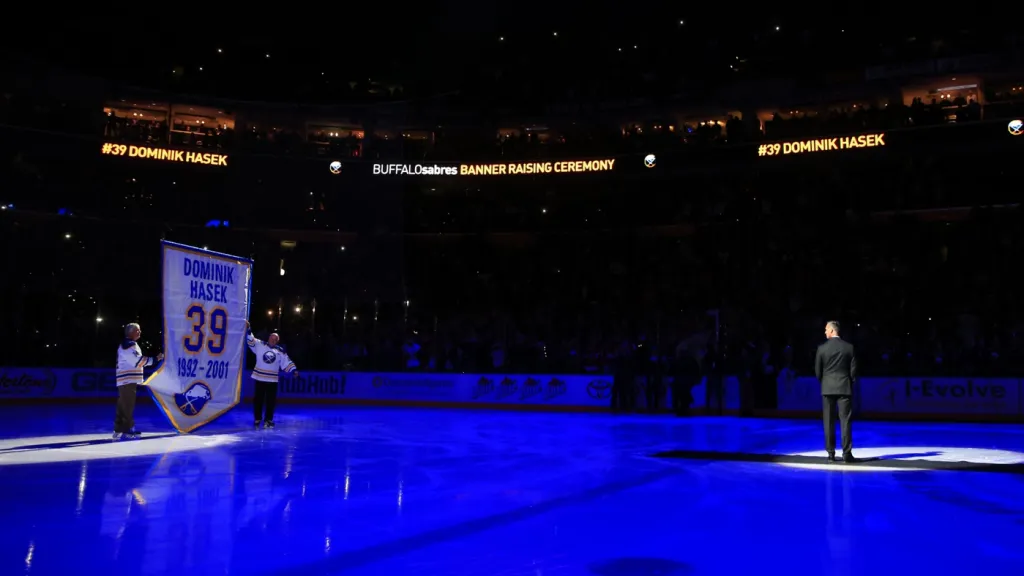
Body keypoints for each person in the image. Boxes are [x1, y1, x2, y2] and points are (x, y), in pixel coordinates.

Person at [815, 321, 857, 463]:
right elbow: (853, 371)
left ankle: (831, 453)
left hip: (827, 388)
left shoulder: (822, 348)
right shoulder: (849, 347)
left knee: (828, 421)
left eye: (826, 329)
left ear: (832, 330)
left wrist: (825, 382)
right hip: (844, 387)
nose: (825, 332)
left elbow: (818, 371)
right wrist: (848, 382)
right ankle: (847, 453)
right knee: (845, 421)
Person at [245, 321, 298, 429]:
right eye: (272, 338)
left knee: (271, 401)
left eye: (275, 340)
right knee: (258, 400)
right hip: (260, 377)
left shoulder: (280, 351)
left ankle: (268, 420)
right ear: (269, 338)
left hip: (272, 380)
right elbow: (251, 340)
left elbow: (286, 362)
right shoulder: (260, 345)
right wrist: (249, 329)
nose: (273, 340)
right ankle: (257, 419)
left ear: (277, 341)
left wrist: (294, 370)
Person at [114, 323, 163, 440]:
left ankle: (119, 430)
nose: (140, 332)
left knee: (123, 405)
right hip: (127, 380)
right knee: (127, 406)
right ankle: (128, 430)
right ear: (131, 332)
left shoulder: (128, 344)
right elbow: (137, 361)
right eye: (138, 330)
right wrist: (155, 359)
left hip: (126, 380)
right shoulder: (129, 345)